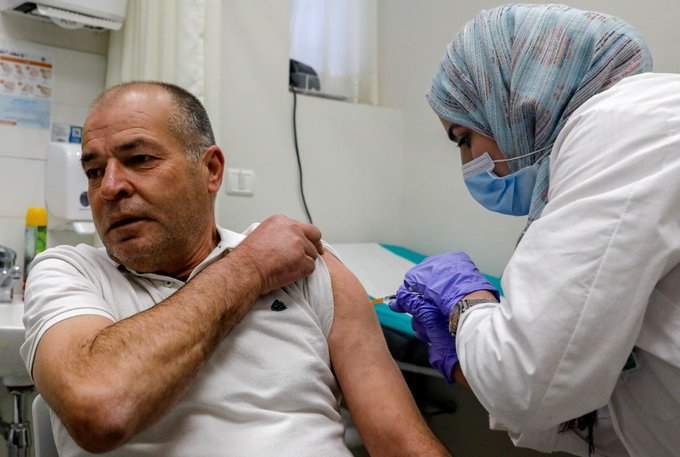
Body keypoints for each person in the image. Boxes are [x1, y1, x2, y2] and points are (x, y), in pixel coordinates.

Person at [21, 81, 450, 457]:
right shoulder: (69, 272)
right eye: (94, 171)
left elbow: (401, 443)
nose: (109, 188)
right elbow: (100, 410)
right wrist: (251, 267)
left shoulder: (305, 268)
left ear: (210, 170)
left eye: (140, 159)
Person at [389, 4, 680, 457]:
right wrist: (471, 357)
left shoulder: (625, 123)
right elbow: (612, 393)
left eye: (463, 138)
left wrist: (465, 303)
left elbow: (527, 384)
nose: (468, 164)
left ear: (515, 100)